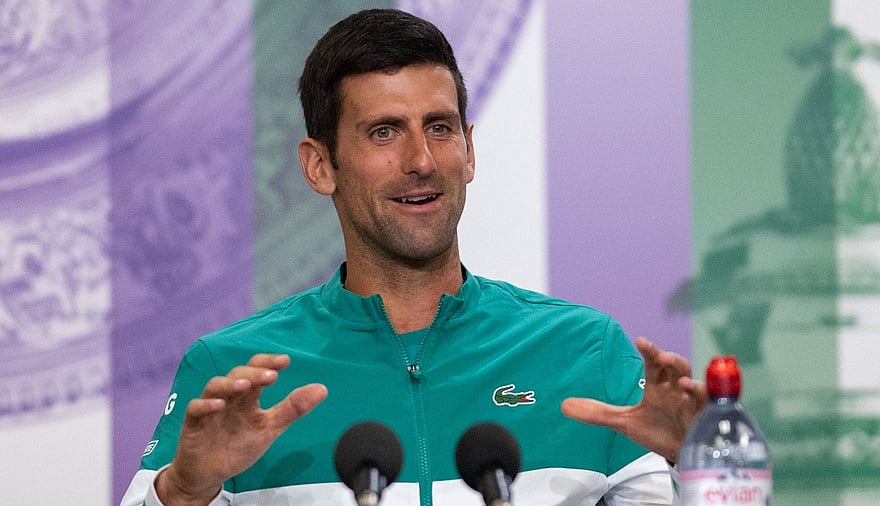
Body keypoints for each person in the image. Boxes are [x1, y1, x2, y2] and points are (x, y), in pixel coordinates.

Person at [120, 9, 705, 506]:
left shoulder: (585, 352)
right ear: (319, 166)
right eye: (384, 132)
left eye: (440, 127)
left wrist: (700, 469)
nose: (421, 159)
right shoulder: (233, 374)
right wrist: (183, 493)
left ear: (469, 150)